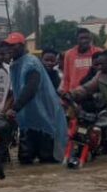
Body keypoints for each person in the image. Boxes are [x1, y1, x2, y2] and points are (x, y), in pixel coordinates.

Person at [4, 32, 68, 165]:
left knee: (47, 161)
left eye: (13, 45)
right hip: (28, 120)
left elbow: (30, 89)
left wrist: (15, 108)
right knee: (25, 159)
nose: (10, 48)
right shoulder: (15, 64)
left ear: (23, 45)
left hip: (45, 120)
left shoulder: (31, 63)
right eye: (8, 45)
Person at [60, 27, 103, 94]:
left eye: (87, 38)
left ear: (90, 39)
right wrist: (65, 94)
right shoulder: (69, 54)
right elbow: (66, 77)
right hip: (74, 93)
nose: (84, 41)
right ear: (77, 40)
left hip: (93, 93)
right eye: (82, 38)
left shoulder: (99, 52)